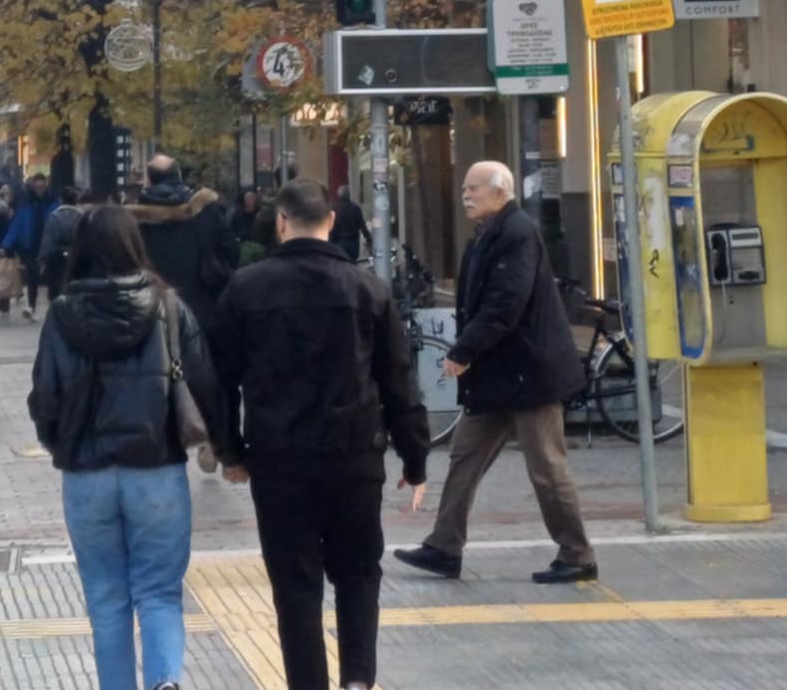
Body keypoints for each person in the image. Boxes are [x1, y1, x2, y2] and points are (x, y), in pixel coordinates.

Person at [209, 179, 428, 690]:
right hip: (355, 456)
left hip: (278, 459)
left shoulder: (246, 288)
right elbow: (398, 379)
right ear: (330, 221)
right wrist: (414, 456)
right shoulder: (367, 288)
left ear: (281, 222)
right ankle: (358, 679)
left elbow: (218, 378)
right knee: (358, 573)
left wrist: (230, 451)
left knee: (295, 585)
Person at [30, 207, 227, 690]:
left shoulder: (61, 313)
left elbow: (45, 397)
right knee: (159, 591)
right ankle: (164, 680)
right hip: (156, 468)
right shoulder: (168, 305)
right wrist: (227, 448)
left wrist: (61, 443)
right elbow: (205, 384)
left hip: (86, 475)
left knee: (106, 599)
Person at [395, 162, 594, 587]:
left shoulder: (515, 232)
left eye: (473, 188)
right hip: (496, 378)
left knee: (547, 467)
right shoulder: (489, 231)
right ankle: (444, 547)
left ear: (500, 191)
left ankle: (577, 553)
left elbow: (507, 301)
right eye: (464, 188)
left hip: (529, 375)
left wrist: (465, 348)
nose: (466, 195)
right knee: (465, 458)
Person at [130, 155, 237, 335]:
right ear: (178, 175)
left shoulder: (134, 218)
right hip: (201, 306)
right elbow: (231, 251)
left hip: (151, 311)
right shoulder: (206, 209)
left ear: (148, 180)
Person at [1, 172, 59, 321]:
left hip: (49, 244)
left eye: (42, 186)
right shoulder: (26, 204)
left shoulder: (53, 203)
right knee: (33, 278)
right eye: (37, 186)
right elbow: (17, 225)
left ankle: (52, 305)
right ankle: (32, 306)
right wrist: (6, 245)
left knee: (52, 277)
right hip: (31, 245)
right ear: (33, 186)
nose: (39, 189)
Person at [39, 186, 84, 299]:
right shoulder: (81, 216)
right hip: (76, 255)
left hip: (56, 255)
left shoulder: (54, 216)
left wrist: (43, 258)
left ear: (61, 199)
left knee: (55, 284)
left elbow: (47, 239)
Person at [329, 184, 366, 264]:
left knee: (339, 265)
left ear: (338, 195)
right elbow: (363, 227)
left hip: (338, 244)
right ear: (349, 195)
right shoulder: (356, 209)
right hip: (353, 244)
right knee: (352, 265)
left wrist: (328, 243)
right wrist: (370, 241)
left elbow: (331, 228)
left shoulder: (334, 209)